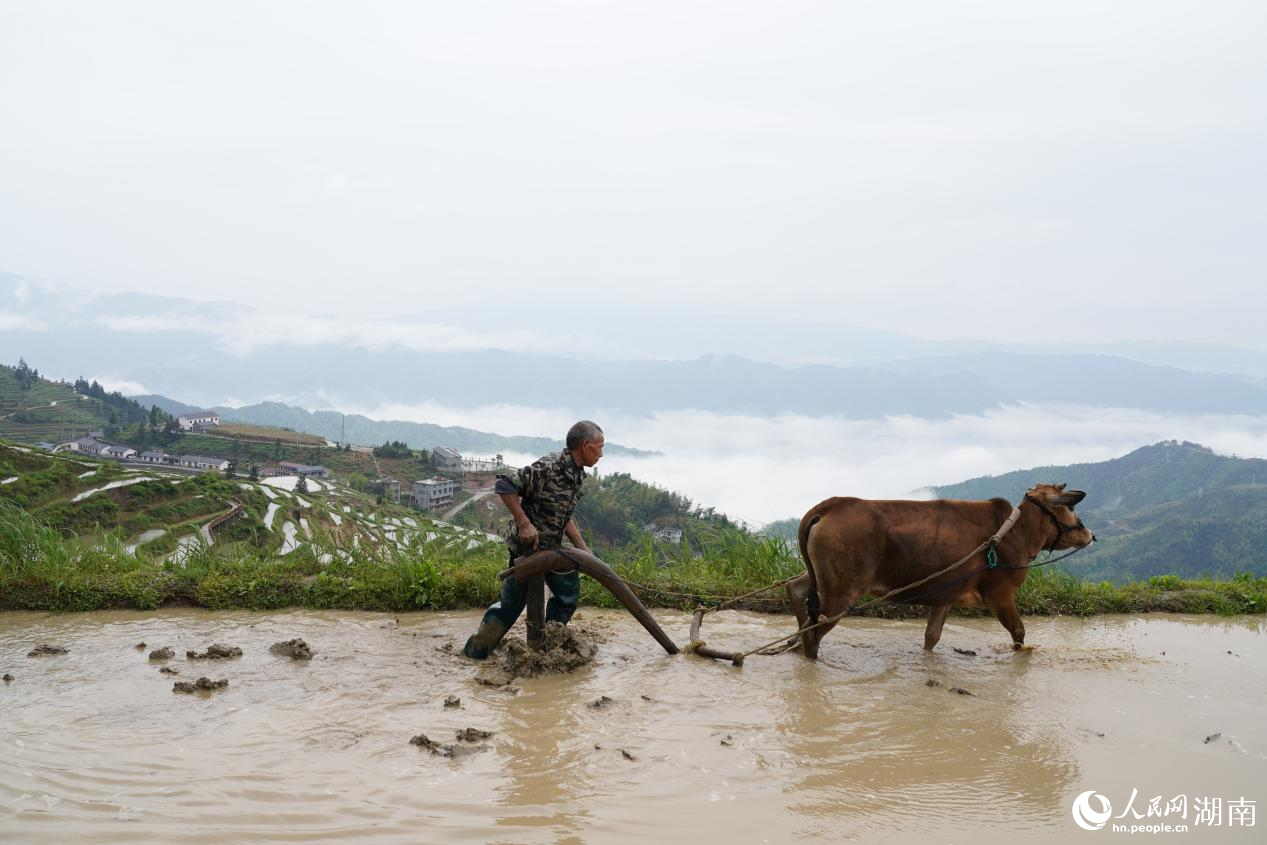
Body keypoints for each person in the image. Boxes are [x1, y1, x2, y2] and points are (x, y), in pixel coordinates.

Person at [462, 420, 605, 659]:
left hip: (553, 549)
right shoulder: (549, 467)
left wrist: (583, 549)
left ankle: (546, 645)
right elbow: (504, 484)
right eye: (600, 447)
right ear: (586, 445)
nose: (601, 453)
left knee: (568, 594)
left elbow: (565, 515)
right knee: (510, 606)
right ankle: (475, 652)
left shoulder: (577, 474)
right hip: (528, 550)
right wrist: (524, 523)